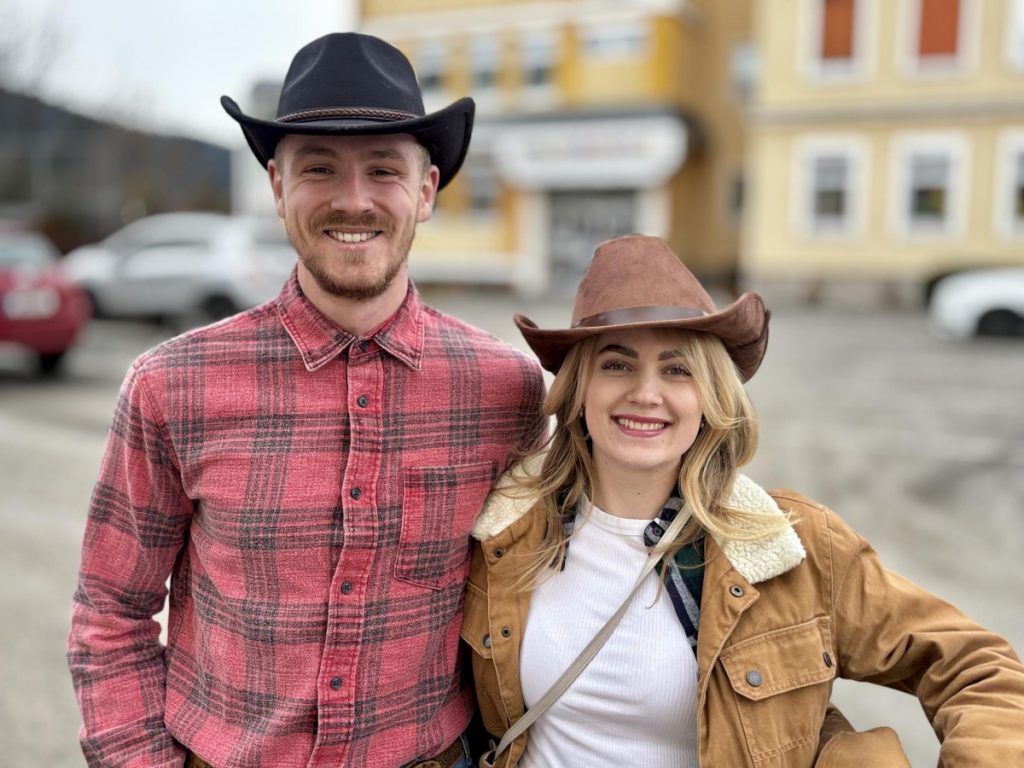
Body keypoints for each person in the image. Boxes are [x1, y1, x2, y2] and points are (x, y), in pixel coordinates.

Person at [67, 33, 545, 768]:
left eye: (383, 169)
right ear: (277, 186)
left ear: (425, 191)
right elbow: (111, 612)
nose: (353, 199)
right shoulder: (171, 386)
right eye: (319, 168)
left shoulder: (506, 391)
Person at [462, 234, 1024, 767]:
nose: (646, 393)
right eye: (616, 364)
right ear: (579, 388)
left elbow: (978, 667)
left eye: (678, 369)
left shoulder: (795, 549)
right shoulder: (505, 535)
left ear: (710, 395)